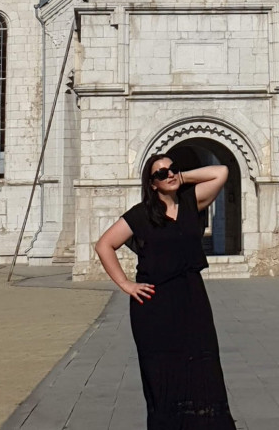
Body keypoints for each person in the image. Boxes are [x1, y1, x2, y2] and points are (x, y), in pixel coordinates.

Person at [95, 154, 236, 429]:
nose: (169, 174)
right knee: (163, 375)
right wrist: (126, 284)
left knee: (203, 368)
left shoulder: (190, 202)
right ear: (152, 183)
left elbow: (221, 172)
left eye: (172, 169)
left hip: (192, 298)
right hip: (155, 305)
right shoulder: (141, 214)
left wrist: (182, 177)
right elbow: (104, 245)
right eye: (161, 174)